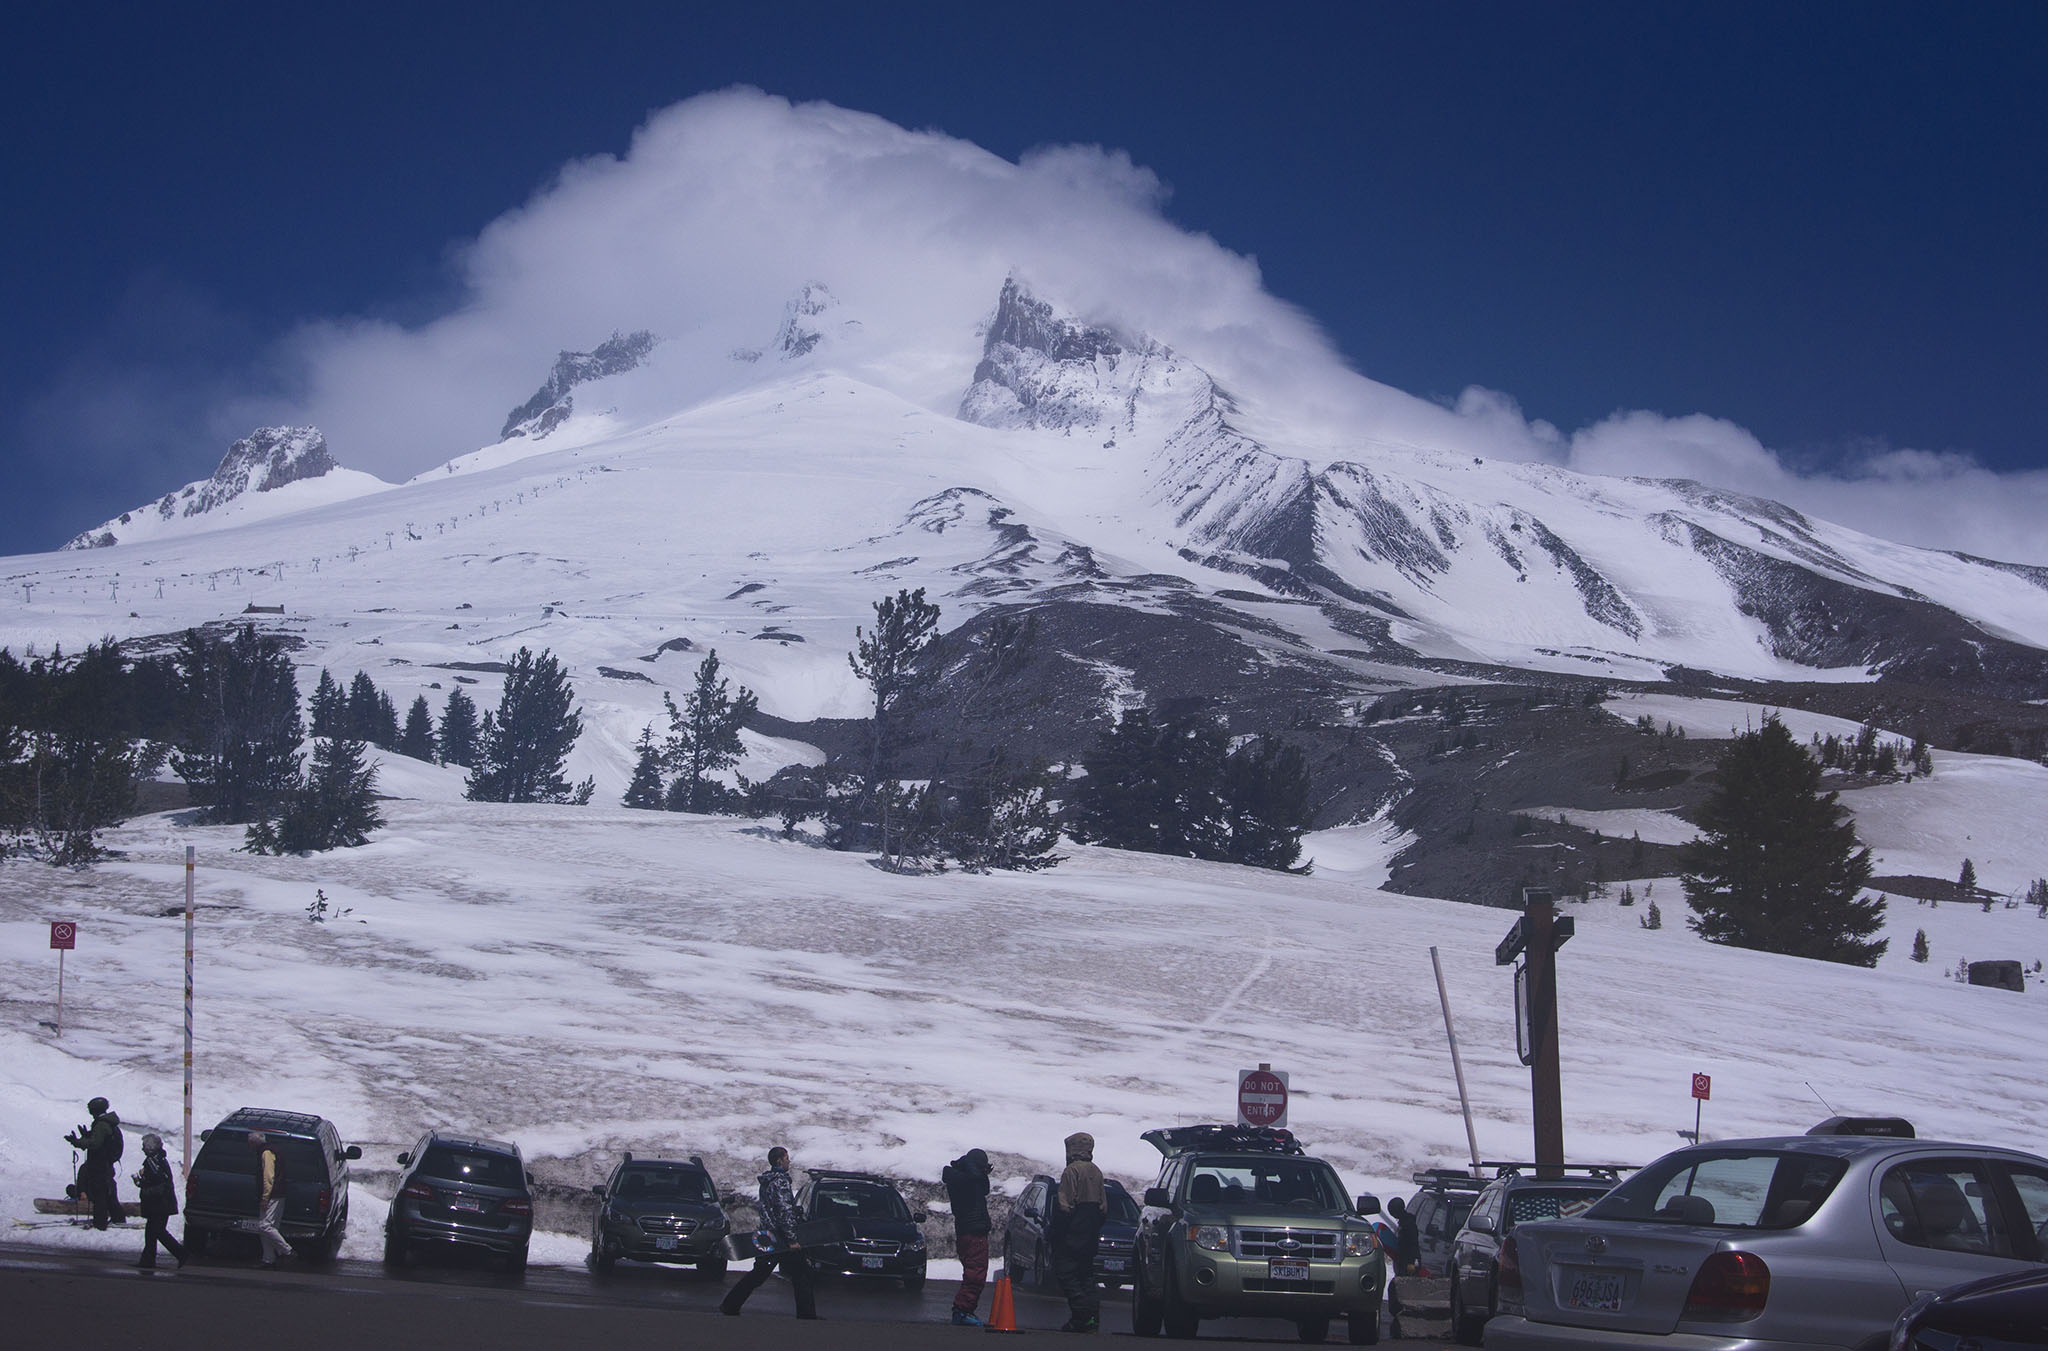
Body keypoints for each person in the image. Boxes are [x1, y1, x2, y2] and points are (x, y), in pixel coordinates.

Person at [720, 1146, 818, 1320]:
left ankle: (730, 1304)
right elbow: (783, 1211)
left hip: (769, 1235)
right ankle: (806, 1314)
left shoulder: (767, 1181)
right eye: (786, 1158)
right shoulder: (780, 1181)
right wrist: (792, 1238)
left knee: (759, 1274)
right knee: (802, 1275)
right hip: (781, 1238)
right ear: (779, 1160)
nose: (789, 1161)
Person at [1050, 1131, 1105, 1334]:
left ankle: (1081, 1315)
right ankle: (1092, 1317)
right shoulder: (1096, 1171)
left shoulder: (1071, 1171)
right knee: (1086, 1276)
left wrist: (1058, 1232)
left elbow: (1064, 1206)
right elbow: (1103, 1208)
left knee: (1066, 1274)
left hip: (1071, 1234)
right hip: (1090, 1236)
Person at [942, 1148, 993, 1326]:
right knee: (975, 1274)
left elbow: (984, 1188)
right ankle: (962, 1310)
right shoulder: (962, 1179)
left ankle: (965, 1310)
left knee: (975, 1273)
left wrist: (979, 1170)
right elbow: (975, 1180)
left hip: (971, 1231)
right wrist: (974, 1167)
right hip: (972, 1231)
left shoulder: (968, 1178)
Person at [64, 1096, 127, 1230]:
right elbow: (100, 1140)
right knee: (108, 1193)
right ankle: (118, 1218)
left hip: (100, 1165)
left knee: (100, 1195)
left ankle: (100, 1223)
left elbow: (95, 1144)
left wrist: (77, 1142)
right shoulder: (107, 1122)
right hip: (105, 1164)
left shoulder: (102, 1124)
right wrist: (87, 1134)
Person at [133, 1133, 186, 1269]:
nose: (142, 1149)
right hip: (162, 1202)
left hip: (159, 1203)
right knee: (152, 1232)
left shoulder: (153, 1162)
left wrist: (144, 1188)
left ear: (150, 1147)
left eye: (144, 1146)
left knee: (157, 1231)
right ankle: (147, 1260)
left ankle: (181, 1254)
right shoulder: (158, 1160)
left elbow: (160, 1184)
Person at [246, 1131, 291, 1268]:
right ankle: (268, 1259)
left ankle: (286, 1250)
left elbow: (268, 1177)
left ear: (254, 1143)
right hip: (279, 1193)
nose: (249, 1146)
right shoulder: (272, 1150)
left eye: (250, 1143)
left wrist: (265, 1197)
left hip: (273, 1195)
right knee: (269, 1227)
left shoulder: (266, 1153)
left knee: (264, 1226)